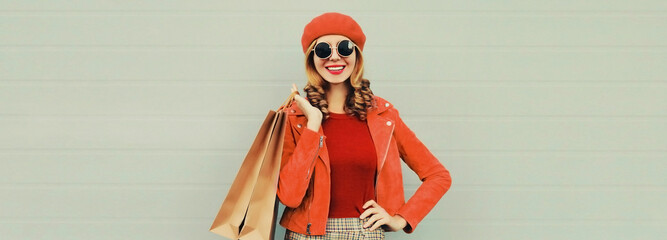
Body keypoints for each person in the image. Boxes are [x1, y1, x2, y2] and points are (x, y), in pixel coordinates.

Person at [277, 12, 452, 239]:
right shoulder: (294, 118)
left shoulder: (383, 115)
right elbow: (289, 197)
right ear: (312, 59)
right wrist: (313, 125)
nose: (334, 57)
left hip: (364, 233)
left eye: (344, 48)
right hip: (306, 234)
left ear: (357, 56)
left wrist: (400, 218)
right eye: (322, 50)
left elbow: (438, 175)